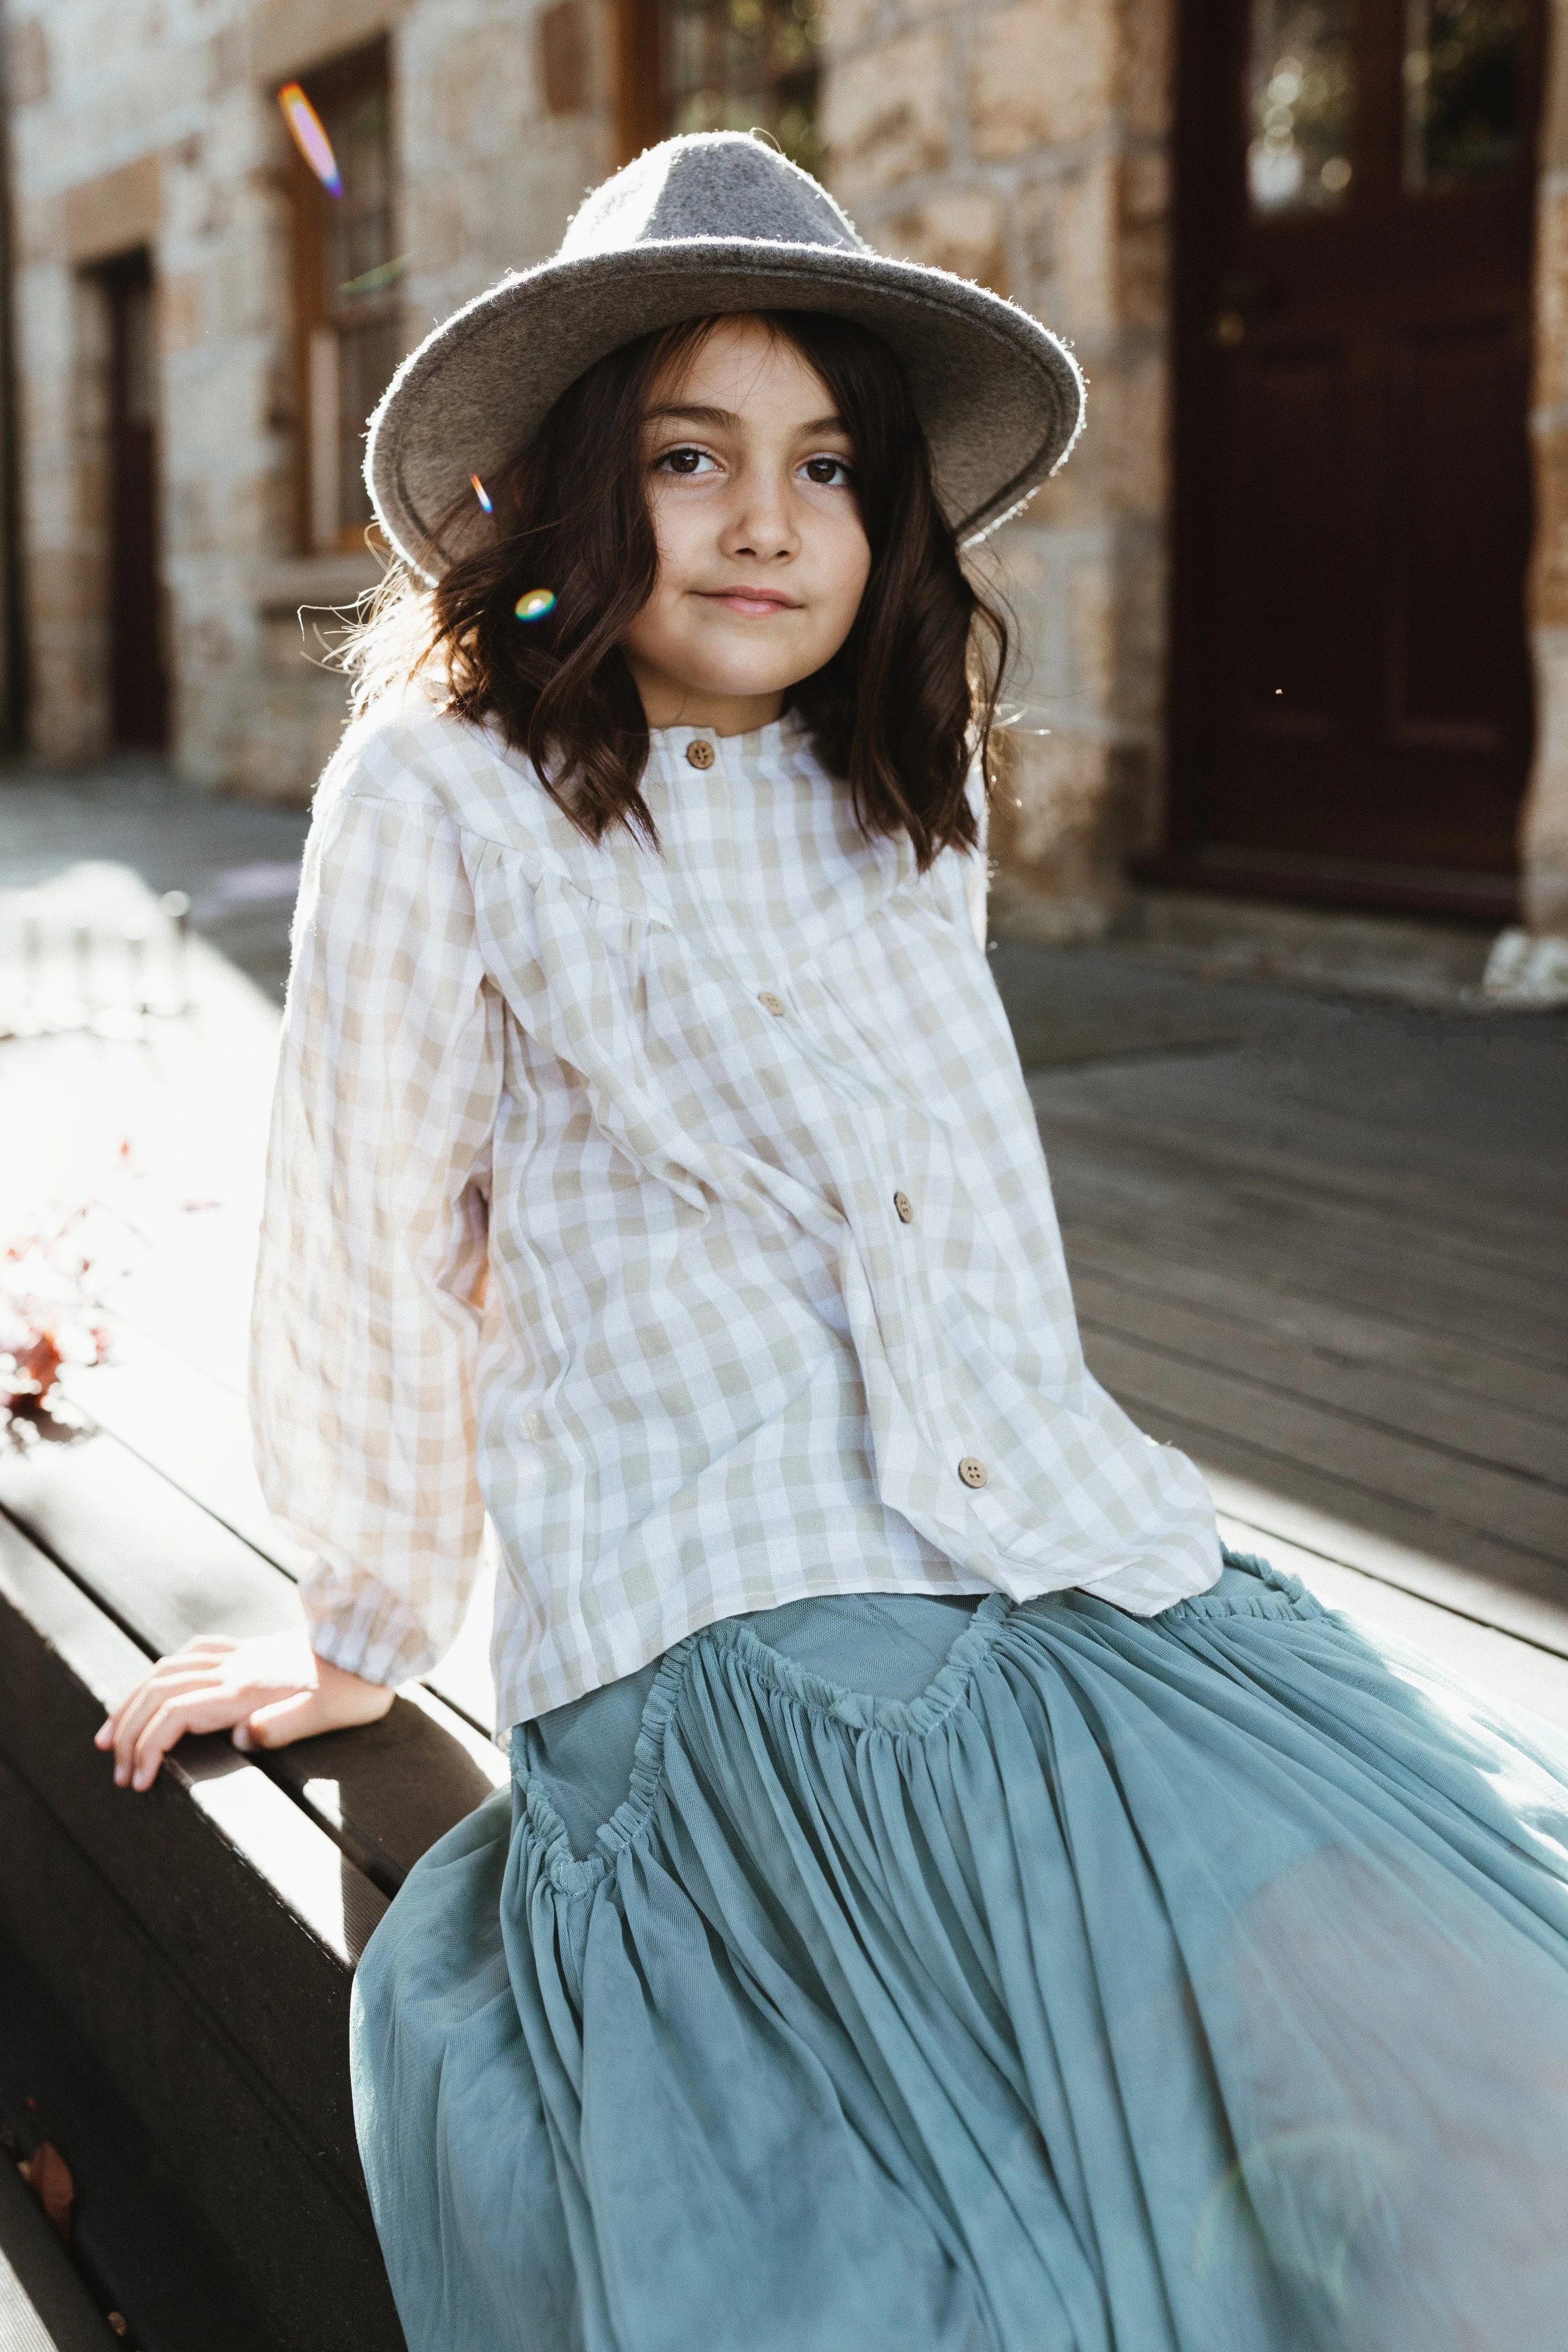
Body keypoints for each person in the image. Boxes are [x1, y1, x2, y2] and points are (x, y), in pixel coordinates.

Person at [97, 132, 1568, 2352]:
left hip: (1057, 1567)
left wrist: (1063, 1521)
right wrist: (370, 1615)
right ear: (577, 487)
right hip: (721, 1629)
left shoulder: (906, 789)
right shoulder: (447, 799)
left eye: (831, 466)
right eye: (694, 456)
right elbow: (367, 1226)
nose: (770, 521)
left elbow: (937, 1204)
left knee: (1449, 2060)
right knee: (931, 2249)